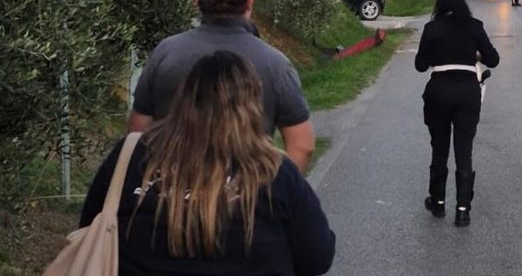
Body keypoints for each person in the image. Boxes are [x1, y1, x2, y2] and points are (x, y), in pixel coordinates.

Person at [83, 51, 335, 275]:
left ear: (182, 100)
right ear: (252, 109)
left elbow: (89, 228)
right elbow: (317, 258)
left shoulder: (131, 156)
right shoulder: (275, 172)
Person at [127, 0, 316, 172]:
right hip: (246, 194)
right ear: (250, 2)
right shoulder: (275, 63)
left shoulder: (166, 53)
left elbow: (137, 134)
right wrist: (274, 193)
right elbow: (302, 145)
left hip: (173, 192)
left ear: (197, 1)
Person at [415, 0, 500, 227]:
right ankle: (463, 210)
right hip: (467, 91)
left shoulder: (432, 29)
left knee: (439, 148)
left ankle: (438, 201)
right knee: (464, 150)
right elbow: (493, 59)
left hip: (439, 89)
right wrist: (475, 56)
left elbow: (420, 65)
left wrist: (436, 55)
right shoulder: (475, 26)